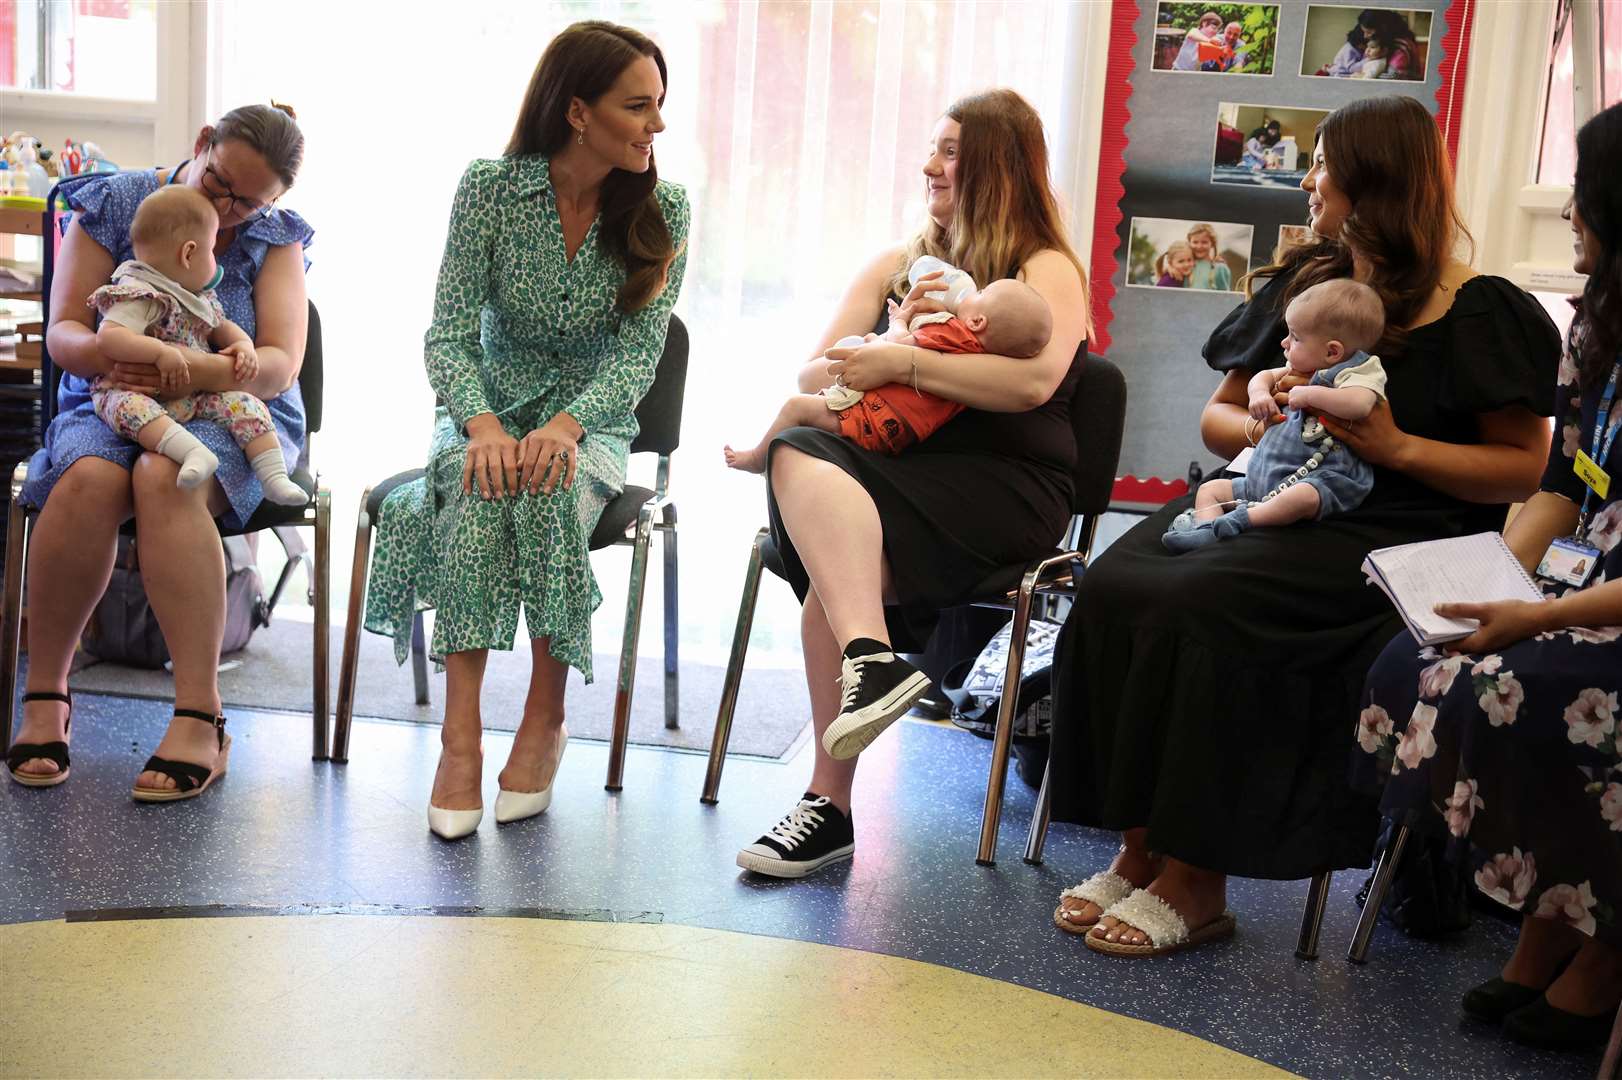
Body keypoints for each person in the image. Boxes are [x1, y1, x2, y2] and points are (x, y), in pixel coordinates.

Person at [1046, 94, 1559, 956]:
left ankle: (1199, 879)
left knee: (1209, 604)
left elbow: (1521, 467)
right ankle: (1140, 848)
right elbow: (1216, 421)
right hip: (1278, 499)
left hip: (1395, 534)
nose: (1309, 180)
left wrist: (1395, 446)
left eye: (1325, 164)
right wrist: (1266, 417)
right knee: (1119, 580)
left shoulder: (1484, 311)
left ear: (1376, 181)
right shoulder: (1309, 285)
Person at [732, 87, 1090, 879]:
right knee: (796, 444)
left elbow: (1031, 386)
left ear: (998, 165)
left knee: (832, 578)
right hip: (900, 473)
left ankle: (829, 804)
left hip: (1006, 488)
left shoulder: (1045, 268)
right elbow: (815, 370)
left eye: (952, 150)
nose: (931, 165)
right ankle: (872, 662)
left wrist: (905, 362)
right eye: (934, 148)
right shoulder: (899, 263)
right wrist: (889, 333)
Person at [361, 21, 690, 841]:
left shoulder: (666, 207)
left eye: (660, 106)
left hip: (593, 422)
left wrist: (569, 428)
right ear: (578, 112)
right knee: (477, 496)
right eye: (638, 106)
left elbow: (641, 354)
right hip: (482, 415)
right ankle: (461, 739)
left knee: (545, 496)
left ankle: (545, 720)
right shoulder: (490, 189)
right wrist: (477, 426)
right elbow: (447, 333)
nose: (657, 126)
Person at [1351, 101, 1622, 1051]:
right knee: (1423, 656)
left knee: (1524, 687)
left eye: (1583, 199)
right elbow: (1562, 483)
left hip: (1615, 604)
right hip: (1592, 577)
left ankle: (1603, 948)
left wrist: (1534, 616)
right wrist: (1497, 583)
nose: (1570, 218)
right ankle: (1549, 928)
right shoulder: (1604, 334)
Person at [7, 104, 312, 800]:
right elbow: (62, 334)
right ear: (202, 144)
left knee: (165, 474)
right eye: (219, 183)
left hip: (236, 411)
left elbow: (278, 364)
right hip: (111, 394)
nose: (227, 210)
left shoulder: (273, 238)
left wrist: (185, 366)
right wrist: (118, 357)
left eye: (249, 201)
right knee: (86, 478)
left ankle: (200, 716)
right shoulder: (116, 200)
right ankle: (47, 692)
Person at [89, 186, 307, 506]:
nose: (214, 261)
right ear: (189, 253)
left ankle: (273, 477)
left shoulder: (197, 295)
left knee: (244, 404)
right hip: (138, 393)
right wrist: (160, 352)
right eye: (211, 251)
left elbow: (221, 327)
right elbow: (109, 336)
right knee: (131, 410)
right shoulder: (141, 292)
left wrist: (243, 346)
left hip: (193, 396)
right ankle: (190, 452)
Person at [724, 262, 1052, 470]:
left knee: (796, 408)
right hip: (897, 434)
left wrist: (900, 321)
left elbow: (901, 347)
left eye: (981, 291)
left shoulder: (954, 332)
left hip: (874, 421)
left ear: (978, 320)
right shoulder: (978, 363)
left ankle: (757, 457)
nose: (971, 290)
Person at [1162, 278, 1386, 551]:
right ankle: (1206, 531)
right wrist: (1259, 395)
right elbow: (1263, 376)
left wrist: (1310, 395)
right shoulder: (1298, 365)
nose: (1285, 343)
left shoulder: (1357, 371)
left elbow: (1360, 404)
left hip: (1321, 477)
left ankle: (1246, 519)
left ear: (1332, 351)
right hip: (1264, 474)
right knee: (1210, 490)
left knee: (1301, 498)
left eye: (1295, 337)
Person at [1186, 223, 1232, 291]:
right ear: (1189, 243)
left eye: (1204, 242)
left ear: (1212, 244)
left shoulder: (1220, 268)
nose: (1199, 246)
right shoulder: (1185, 265)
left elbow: (1225, 297)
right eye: (1195, 242)